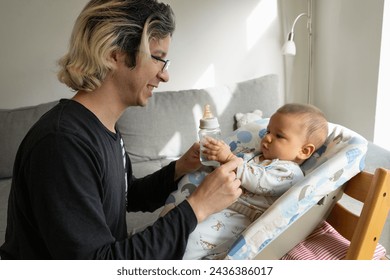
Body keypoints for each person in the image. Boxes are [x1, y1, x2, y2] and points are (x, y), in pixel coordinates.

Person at [0, 0, 242, 260]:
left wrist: (180, 167)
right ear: (114, 54)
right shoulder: (62, 143)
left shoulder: (104, 126)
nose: (165, 75)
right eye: (159, 58)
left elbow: (127, 195)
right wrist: (197, 208)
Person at [163, 103, 328, 259]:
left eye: (279, 136)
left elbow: (260, 181)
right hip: (218, 206)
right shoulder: (254, 156)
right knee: (174, 224)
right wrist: (214, 158)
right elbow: (229, 171)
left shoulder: (291, 172)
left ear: (304, 151)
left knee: (191, 240)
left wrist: (228, 158)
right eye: (268, 131)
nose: (268, 138)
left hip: (240, 219)